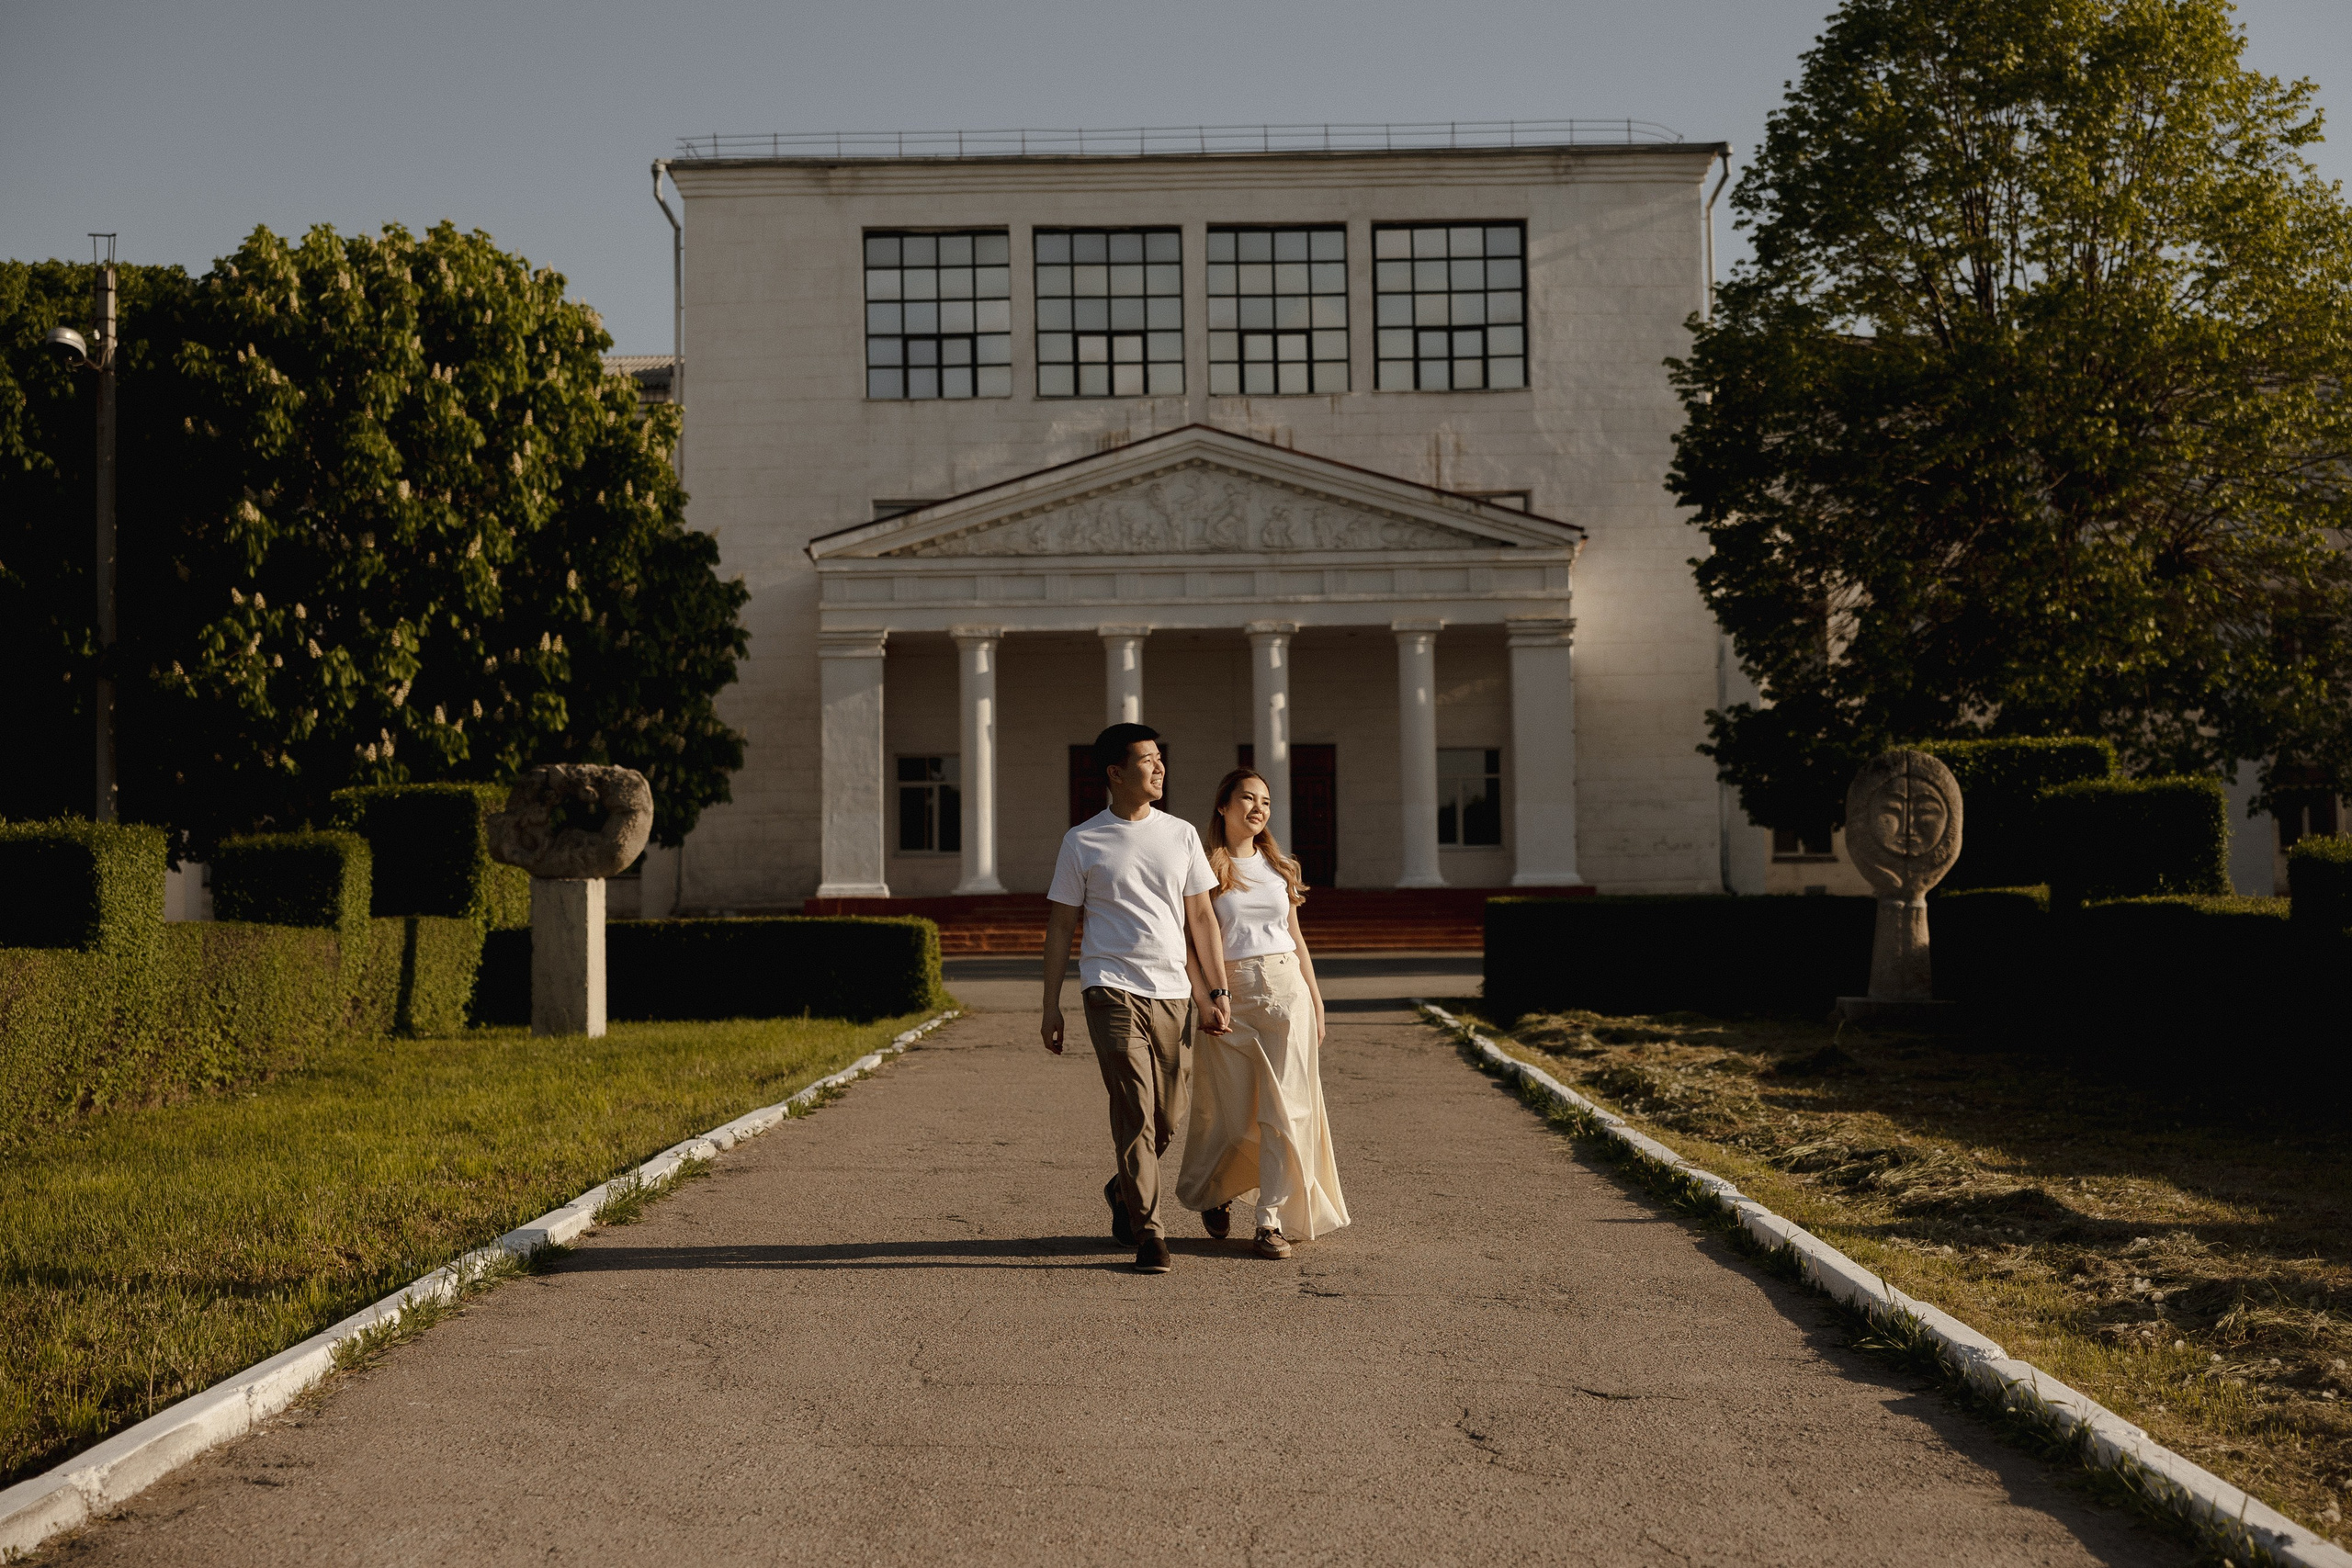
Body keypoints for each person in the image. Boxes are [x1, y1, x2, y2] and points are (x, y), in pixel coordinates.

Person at [1043, 723, 1232, 1274]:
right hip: (1110, 987)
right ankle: (1150, 1231)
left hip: (1173, 991)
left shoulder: (1181, 835)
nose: (1159, 767)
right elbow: (1061, 926)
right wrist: (1051, 1004)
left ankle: (1122, 1187)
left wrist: (1215, 990)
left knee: (1167, 1117)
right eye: (1147, 760)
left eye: (1159, 758)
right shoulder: (1083, 840)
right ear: (1116, 773)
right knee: (1134, 1108)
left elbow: (1202, 917)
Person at [1176, 768, 1349, 1259]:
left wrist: (1316, 999)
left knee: (1285, 1110)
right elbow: (1189, 943)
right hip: (1229, 997)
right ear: (1223, 805)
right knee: (1232, 1114)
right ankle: (1219, 1188)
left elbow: (1296, 938)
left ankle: (1269, 1220)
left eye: (1266, 802)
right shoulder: (1202, 868)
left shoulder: (1279, 866)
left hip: (1287, 993)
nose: (1258, 809)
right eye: (1248, 798)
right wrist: (1204, 997)